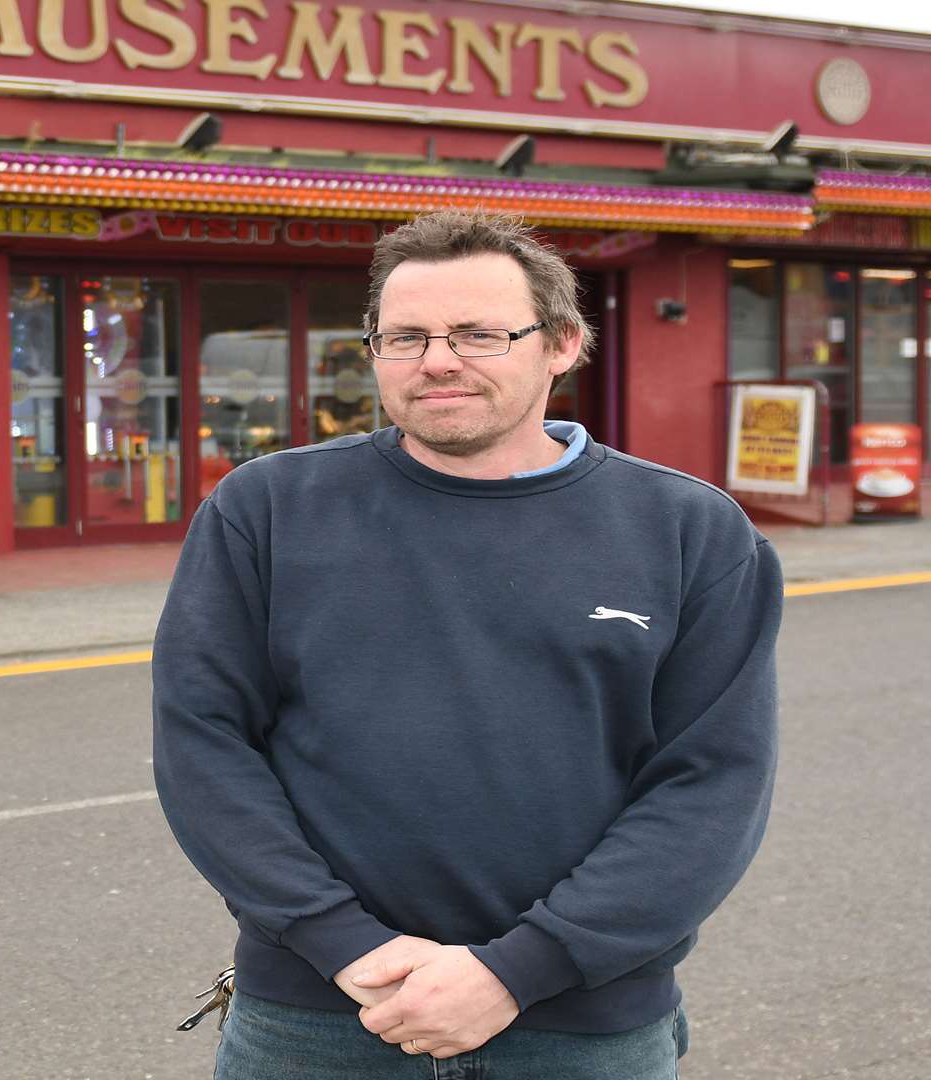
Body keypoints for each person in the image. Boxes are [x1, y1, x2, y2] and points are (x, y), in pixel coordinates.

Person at [152, 210, 781, 1079]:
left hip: (581, 1025)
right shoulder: (267, 510)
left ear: (561, 344)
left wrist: (519, 970)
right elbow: (204, 745)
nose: (436, 360)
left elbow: (712, 785)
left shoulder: (689, 532)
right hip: (319, 1019)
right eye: (404, 336)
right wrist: (339, 943)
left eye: (479, 334)